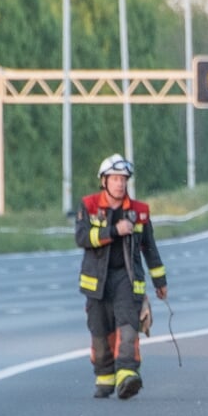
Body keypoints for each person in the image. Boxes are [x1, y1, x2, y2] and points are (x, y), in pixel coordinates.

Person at [74, 154, 167, 399]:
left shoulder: (139, 212)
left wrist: (160, 282)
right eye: (115, 179)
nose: (120, 184)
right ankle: (105, 378)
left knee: (127, 327)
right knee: (100, 332)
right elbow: (82, 239)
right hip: (96, 282)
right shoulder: (89, 206)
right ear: (104, 181)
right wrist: (114, 231)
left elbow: (149, 248)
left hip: (127, 278)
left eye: (123, 179)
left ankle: (127, 375)